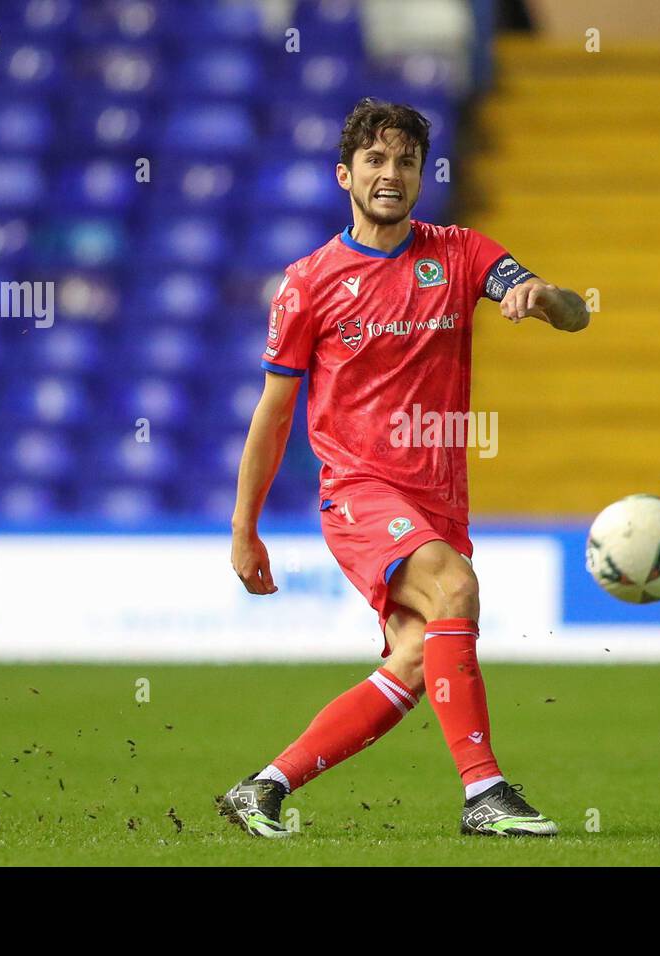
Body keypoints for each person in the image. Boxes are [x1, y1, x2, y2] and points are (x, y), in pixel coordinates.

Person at [224, 98, 589, 838]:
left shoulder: (459, 253)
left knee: (422, 658)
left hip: (440, 501)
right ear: (345, 175)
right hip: (360, 492)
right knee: (455, 586)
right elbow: (274, 412)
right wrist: (244, 529)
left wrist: (543, 296)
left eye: (407, 163)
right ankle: (484, 794)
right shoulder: (309, 283)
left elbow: (576, 314)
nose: (391, 175)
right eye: (376, 161)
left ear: (423, 175)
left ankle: (263, 788)